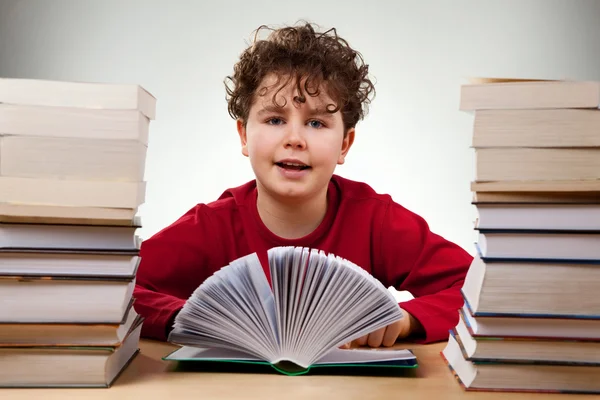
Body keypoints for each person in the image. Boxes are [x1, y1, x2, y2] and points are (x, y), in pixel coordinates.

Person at [133, 22, 473, 348]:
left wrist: (405, 320)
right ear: (244, 136)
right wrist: (190, 318)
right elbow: (121, 286)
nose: (294, 139)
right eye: (275, 119)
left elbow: (476, 287)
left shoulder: (375, 221)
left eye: (316, 122)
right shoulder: (211, 227)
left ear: (344, 145)